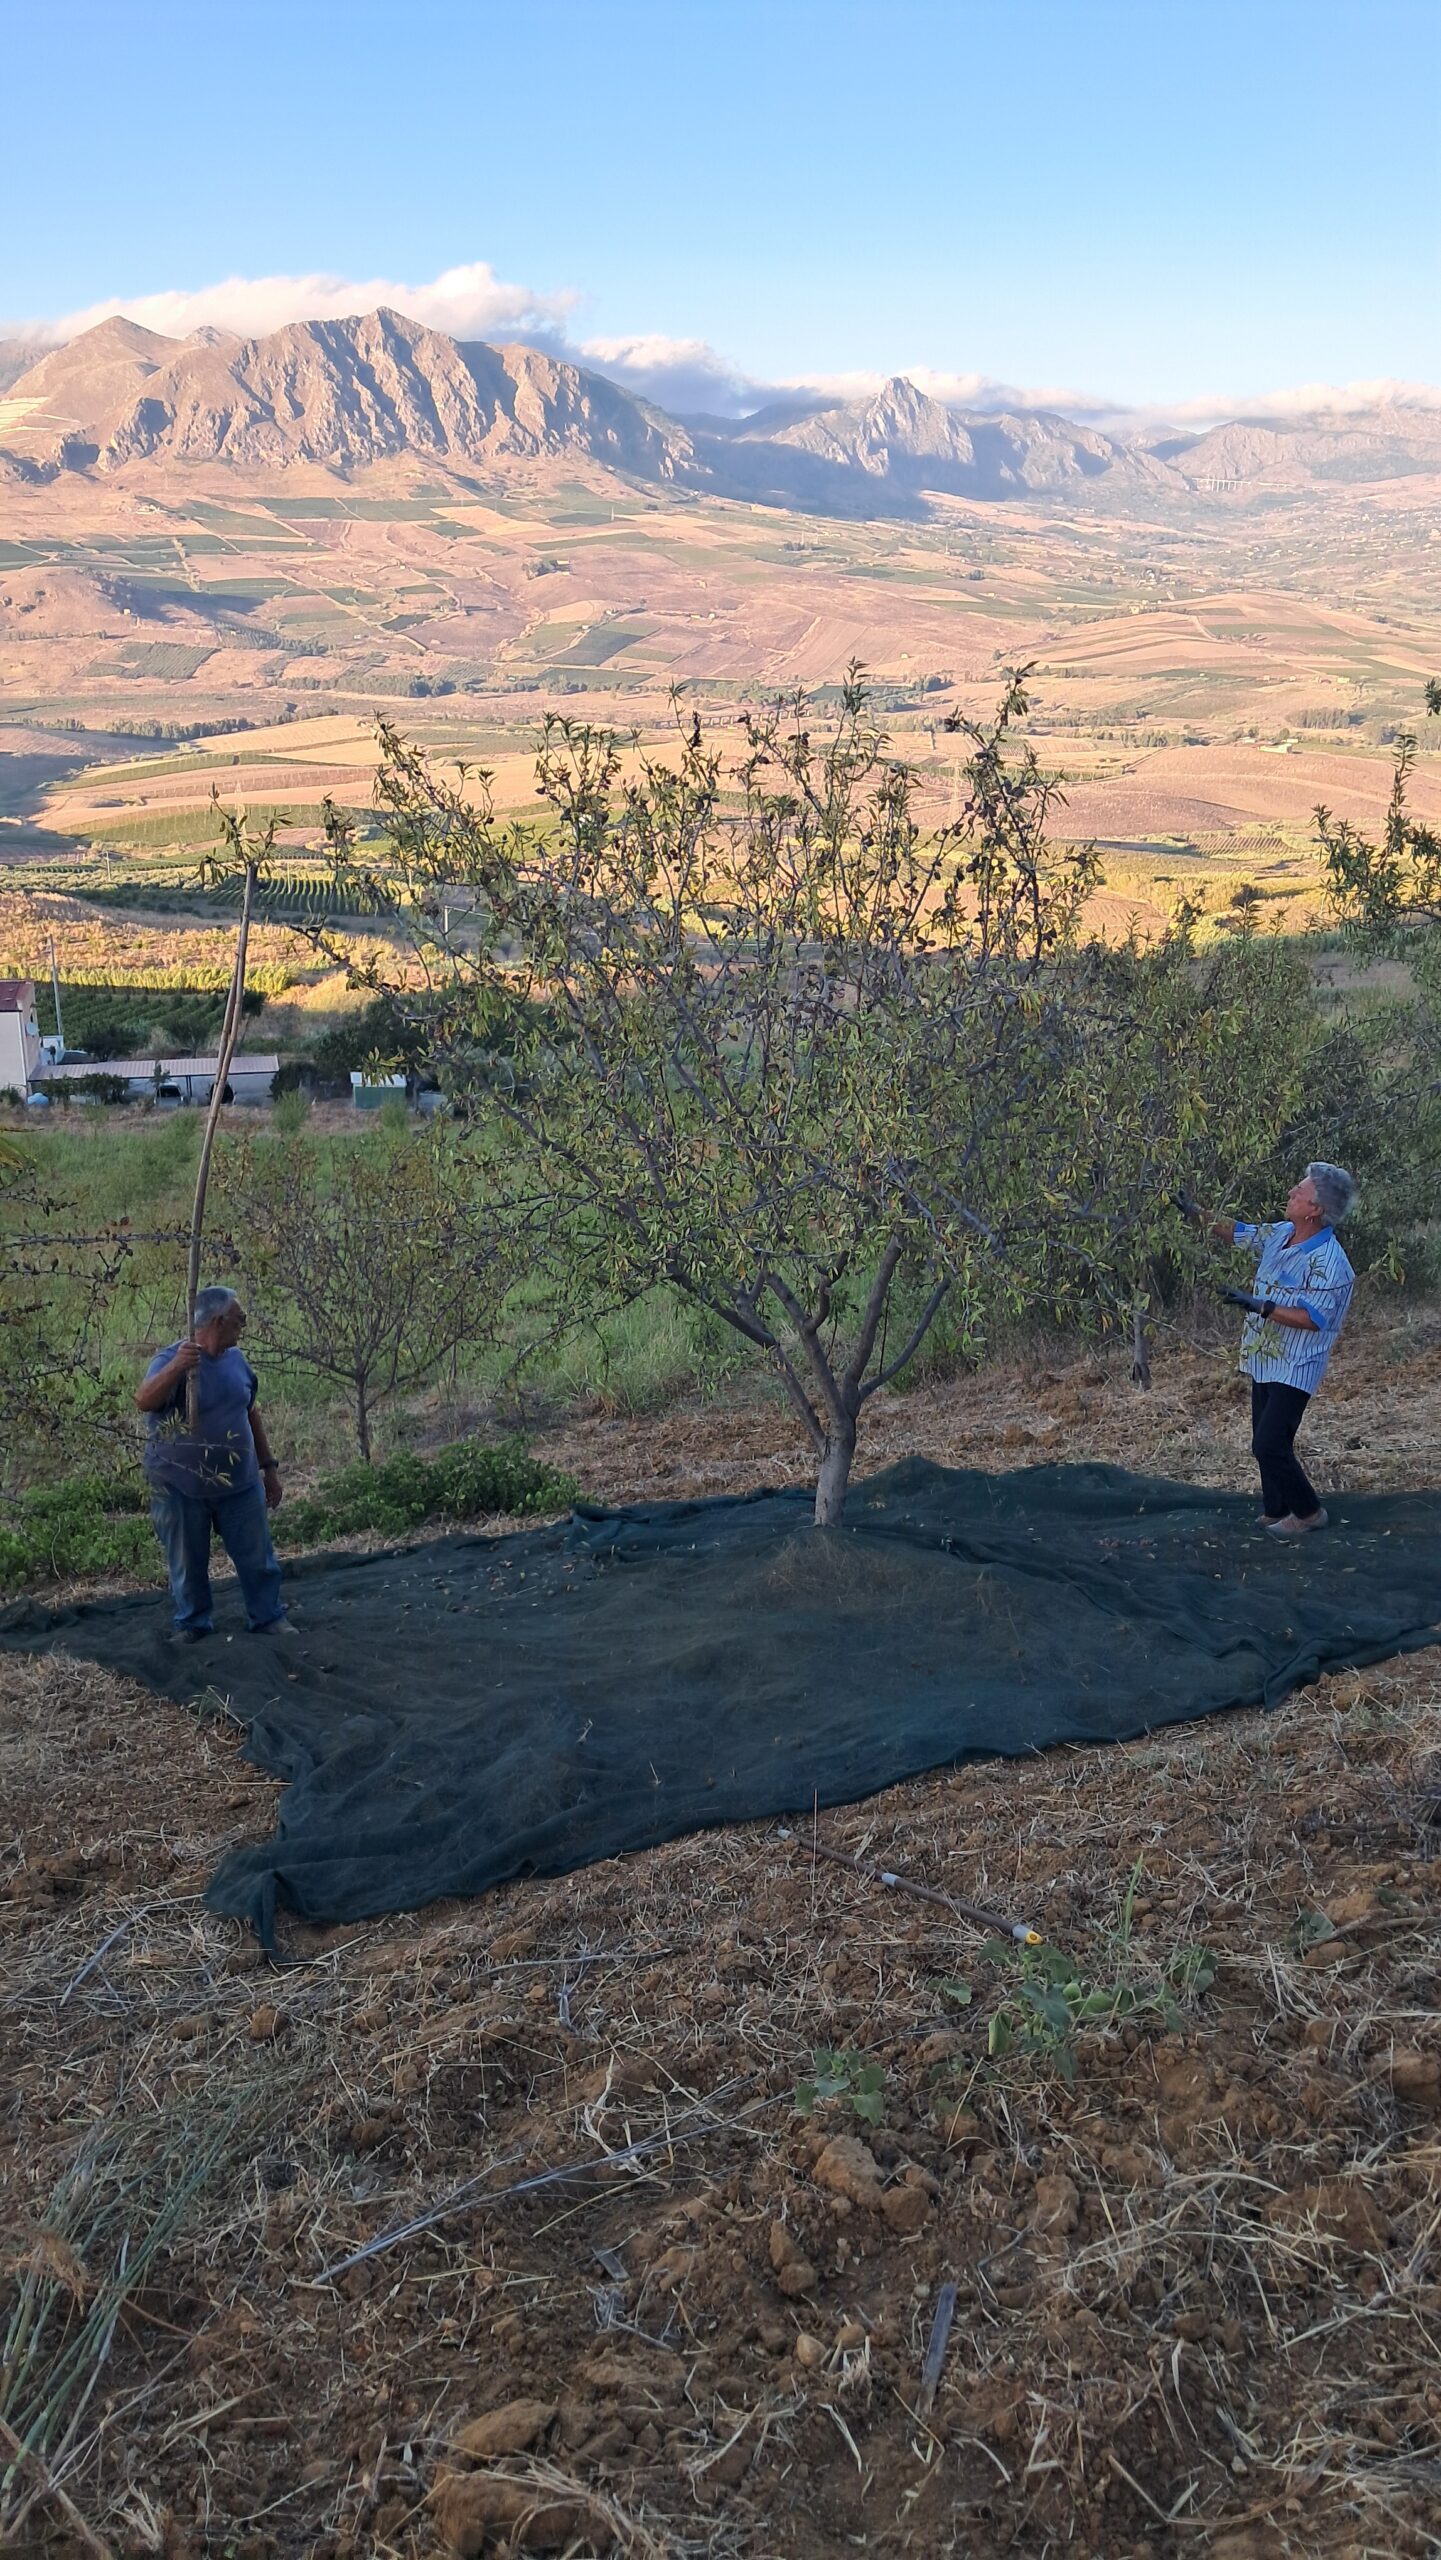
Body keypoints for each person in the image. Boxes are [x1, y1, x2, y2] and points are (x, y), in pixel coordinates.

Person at [1178, 1164, 1356, 1537]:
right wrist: (1195, 1215)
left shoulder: (1331, 1263)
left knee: (1268, 1443)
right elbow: (1239, 1232)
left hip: (1297, 1364)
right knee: (1267, 1435)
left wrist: (1263, 1306)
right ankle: (1275, 1509)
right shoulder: (1281, 1234)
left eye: (1300, 1192)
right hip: (1264, 1356)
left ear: (1315, 1210)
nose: (1291, 1192)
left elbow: (1313, 1318)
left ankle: (1308, 1513)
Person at [135, 1286, 288, 1641]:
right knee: (187, 1562)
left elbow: (251, 1413)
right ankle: (193, 1624)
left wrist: (269, 1468)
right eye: (240, 1318)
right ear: (220, 1321)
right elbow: (143, 1400)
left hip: (240, 1483)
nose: (243, 1325)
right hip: (180, 1485)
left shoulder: (237, 1361)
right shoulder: (172, 1359)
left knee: (257, 1557)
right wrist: (178, 1367)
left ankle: (268, 1617)